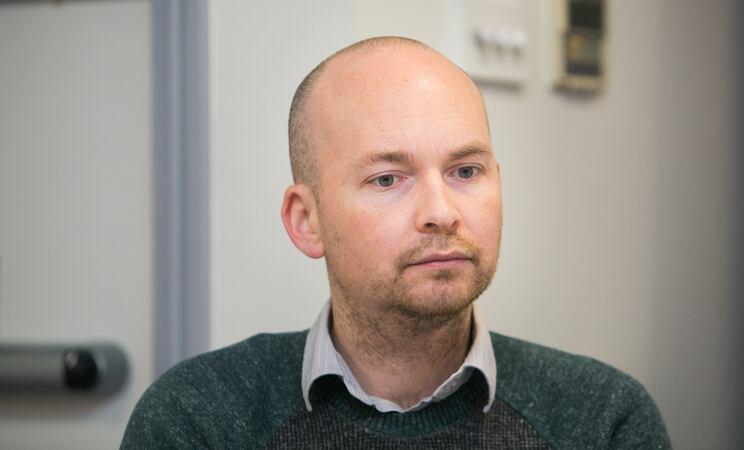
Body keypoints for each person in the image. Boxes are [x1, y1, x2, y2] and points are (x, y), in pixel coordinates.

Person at [122, 36, 671, 449]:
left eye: (466, 170)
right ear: (306, 221)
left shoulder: (601, 419)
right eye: (388, 179)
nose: (441, 213)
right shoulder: (202, 419)